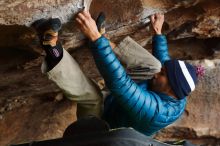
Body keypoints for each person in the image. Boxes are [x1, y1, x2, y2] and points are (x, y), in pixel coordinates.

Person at [32, 10, 200, 136]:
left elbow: (120, 83)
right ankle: (102, 38)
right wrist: (157, 33)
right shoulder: (178, 91)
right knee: (155, 65)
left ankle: (52, 47)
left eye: (162, 76)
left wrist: (96, 41)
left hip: (102, 129)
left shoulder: (154, 113)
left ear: (170, 89)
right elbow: (164, 64)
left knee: (93, 97)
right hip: (120, 105)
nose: (156, 75)